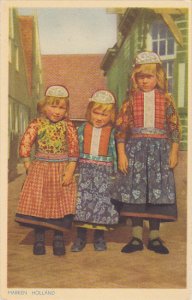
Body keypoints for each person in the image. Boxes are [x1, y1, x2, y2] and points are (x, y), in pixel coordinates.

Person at [112, 51, 181, 254]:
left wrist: (174, 152)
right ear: (135, 78)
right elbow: (121, 129)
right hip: (136, 153)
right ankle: (135, 238)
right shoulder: (130, 101)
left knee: (156, 193)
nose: (145, 81)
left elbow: (175, 128)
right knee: (136, 193)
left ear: (157, 77)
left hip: (160, 153)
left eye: (149, 77)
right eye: (141, 77)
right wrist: (122, 153)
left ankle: (154, 237)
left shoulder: (166, 100)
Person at [15, 85, 79, 256]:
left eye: (61, 107)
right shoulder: (37, 124)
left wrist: (71, 169)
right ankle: (39, 239)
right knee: (39, 204)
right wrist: (27, 162)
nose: (57, 111)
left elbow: (73, 148)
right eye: (53, 106)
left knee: (59, 204)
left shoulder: (68, 126)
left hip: (60, 170)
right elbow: (26, 142)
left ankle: (58, 238)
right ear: (43, 106)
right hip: (40, 169)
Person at [71, 90, 119, 252]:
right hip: (85, 171)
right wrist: (73, 169)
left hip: (104, 172)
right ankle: (80, 237)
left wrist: (115, 172)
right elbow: (74, 151)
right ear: (89, 112)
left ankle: (99, 237)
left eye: (104, 114)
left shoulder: (113, 132)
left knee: (102, 204)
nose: (99, 117)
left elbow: (115, 153)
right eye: (96, 113)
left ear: (111, 115)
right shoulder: (82, 130)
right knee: (82, 204)